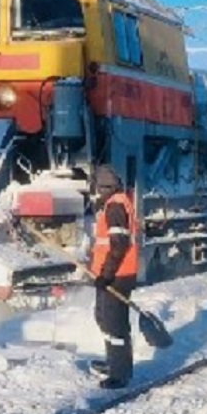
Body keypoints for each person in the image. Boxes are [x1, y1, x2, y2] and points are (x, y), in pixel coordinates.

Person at [88, 164, 138, 390]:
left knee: (115, 324)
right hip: (110, 274)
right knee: (104, 318)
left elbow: (119, 245)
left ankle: (120, 374)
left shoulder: (116, 206)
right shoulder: (112, 203)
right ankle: (113, 362)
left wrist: (106, 275)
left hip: (118, 275)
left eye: (98, 187)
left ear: (104, 187)